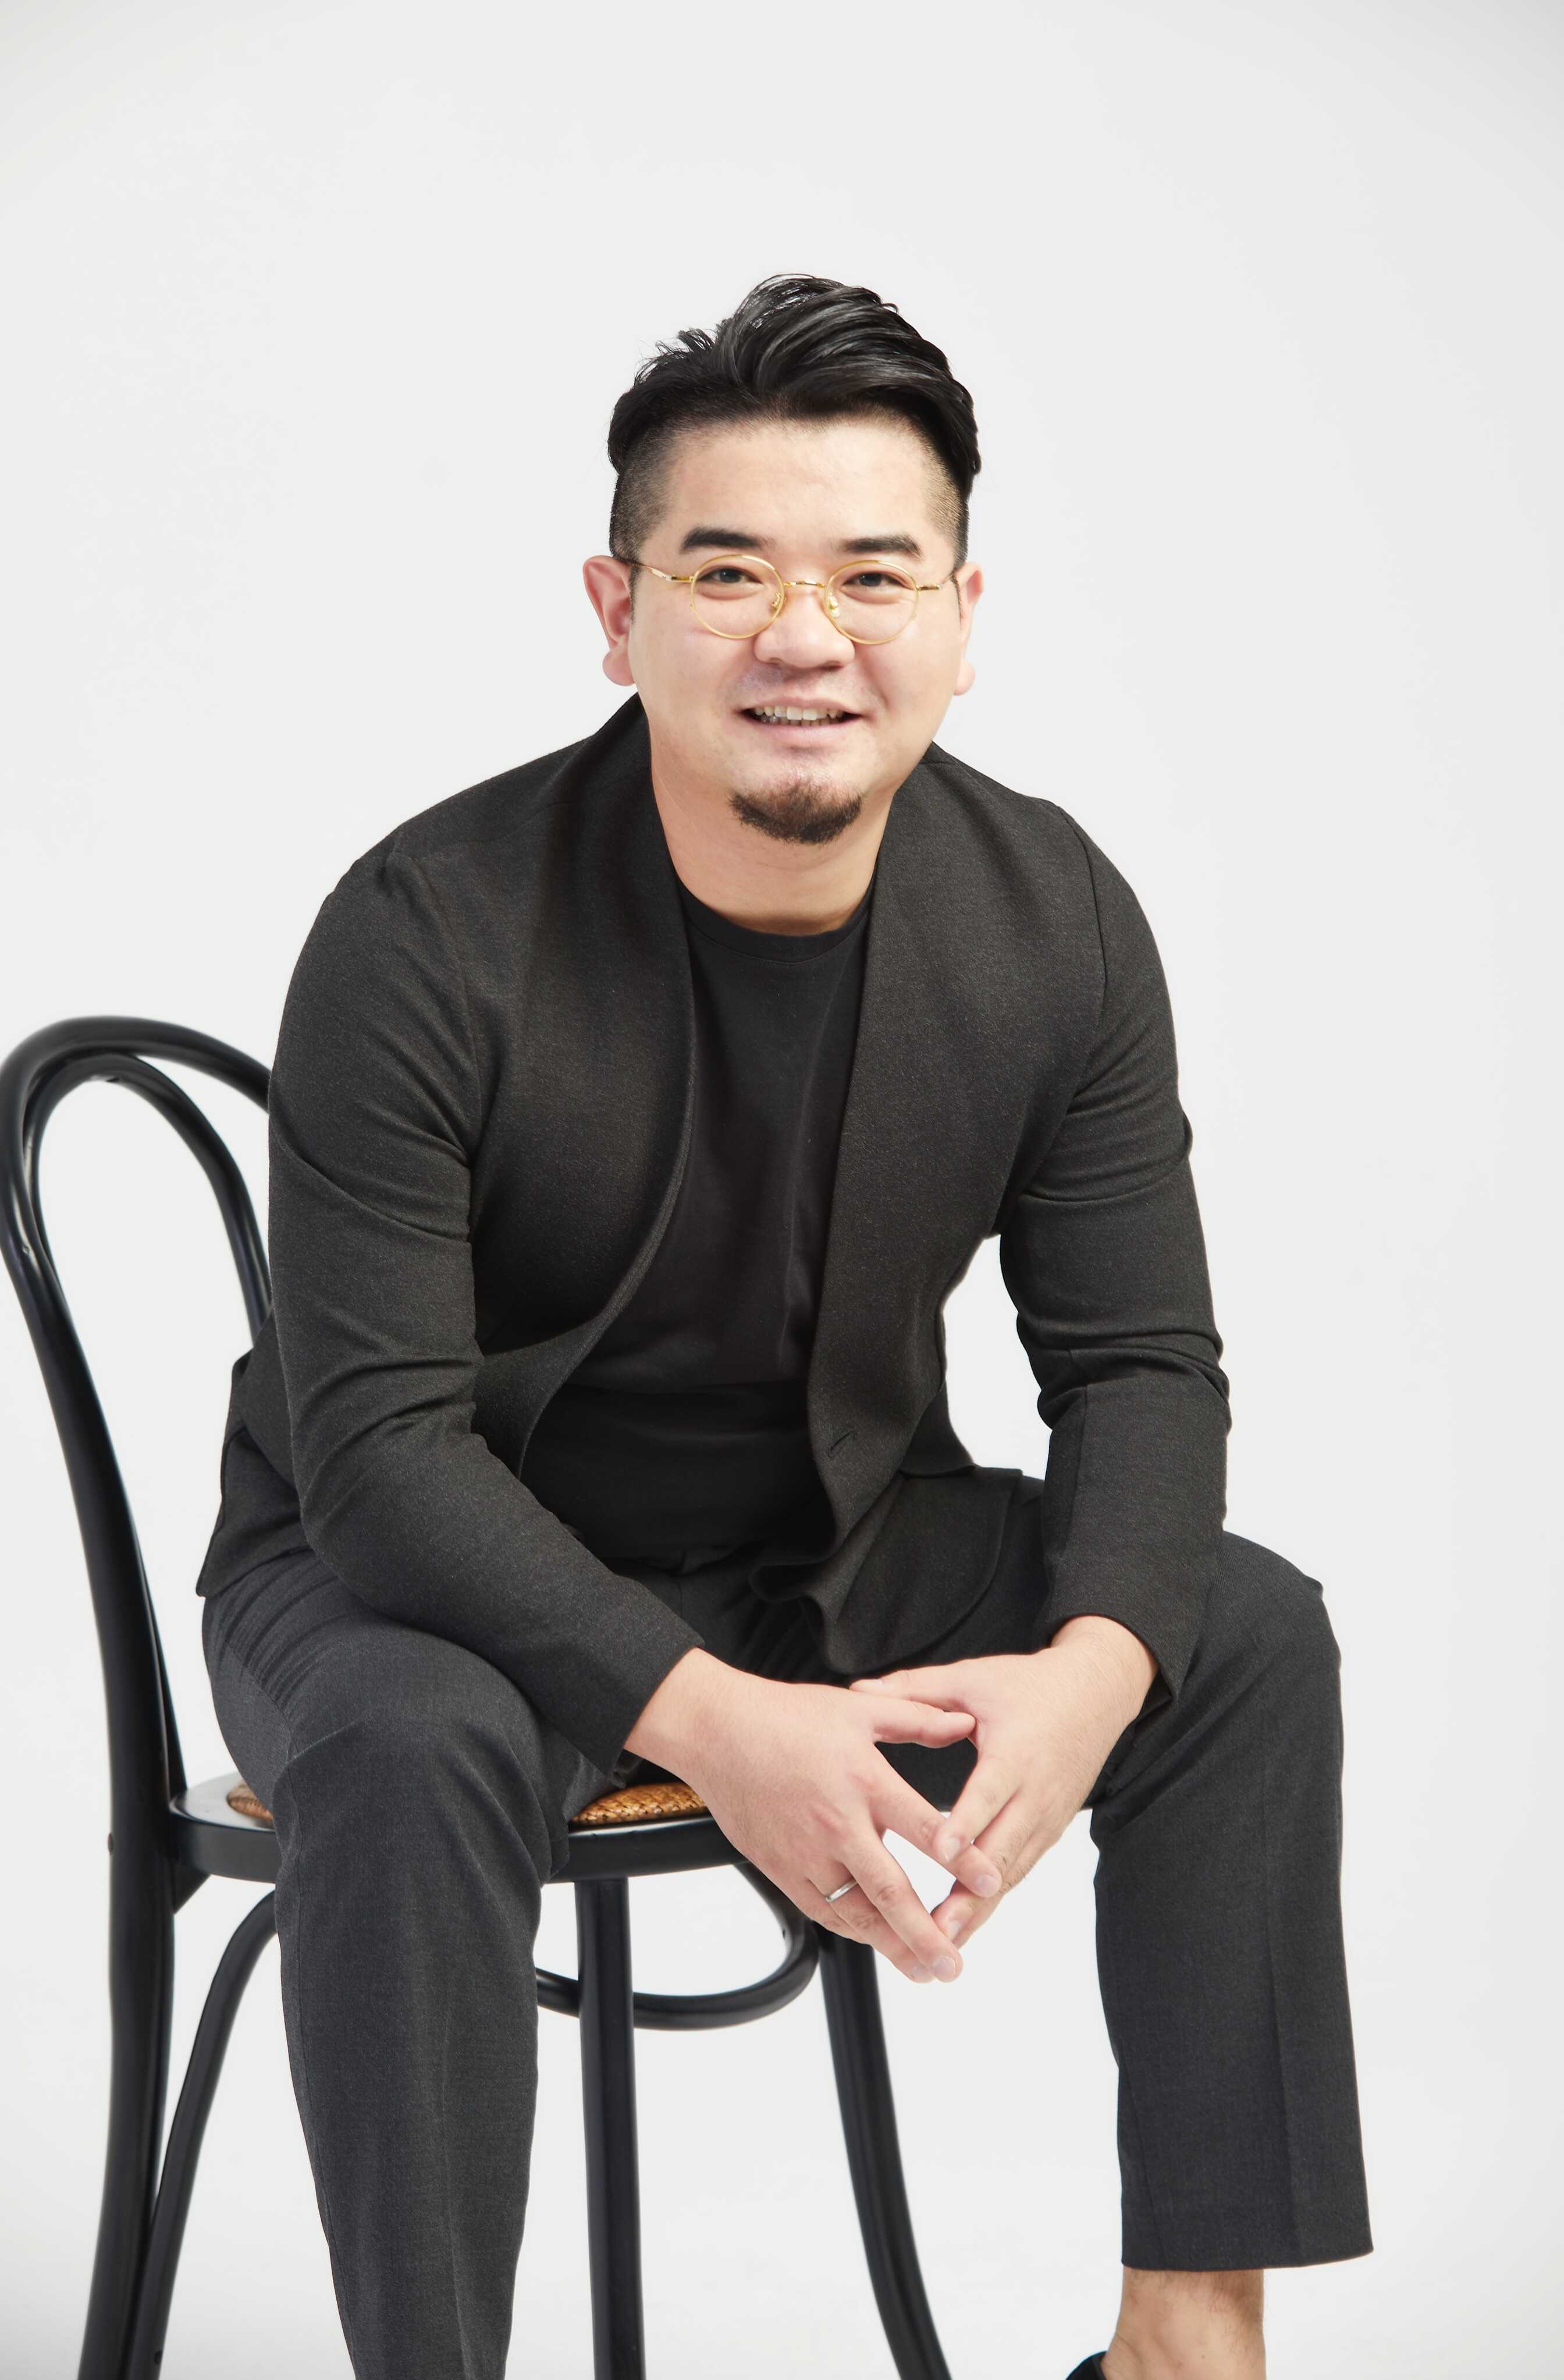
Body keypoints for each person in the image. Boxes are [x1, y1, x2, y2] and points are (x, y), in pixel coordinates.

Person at [197, 272, 1373, 2380]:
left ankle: (1185, 2352)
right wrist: (730, 1731)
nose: (803, 635)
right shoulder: (420, 931)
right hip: (418, 1579)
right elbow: (377, 1460)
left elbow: (1137, 1367)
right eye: (728, 571)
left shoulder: (1053, 918)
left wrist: (1094, 1674)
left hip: (821, 1544)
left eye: (871, 575)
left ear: (962, 615)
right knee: (407, 1737)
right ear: (617, 608)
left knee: (1240, 1627)